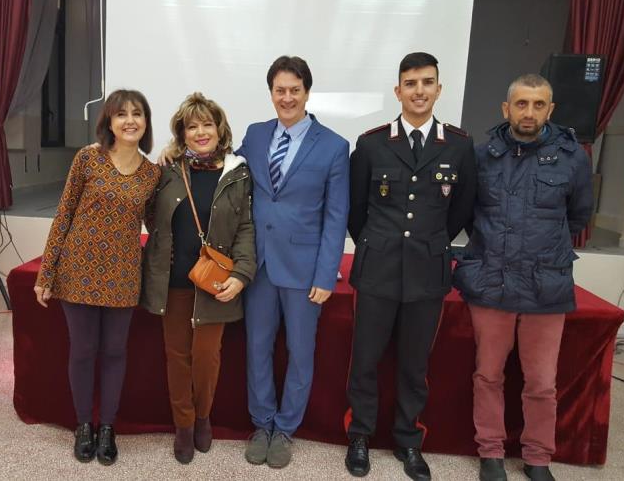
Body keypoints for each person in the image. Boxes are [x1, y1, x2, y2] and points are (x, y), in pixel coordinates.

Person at [453, 74, 593, 481]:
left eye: (538, 105)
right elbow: (465, 211)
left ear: (550, 110)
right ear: (506, 109)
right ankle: (491, 452)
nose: (528, 112)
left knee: (542, 382)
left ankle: (537, 458)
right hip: (491, 282)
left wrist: (542, 249)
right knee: (488, 374)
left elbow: (579, 216)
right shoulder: (481, 156)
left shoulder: (573, 157)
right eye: (521, 104)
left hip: (545, 286)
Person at [345, 52, 477, 480]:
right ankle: (360, 436)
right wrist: (379, 242)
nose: (419, 90)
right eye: (411, 83)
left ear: (439, 89)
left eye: (427, 82)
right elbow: (355, 209)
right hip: (378, 268)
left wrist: (428, 242)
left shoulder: (458, 145)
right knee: (365, 359)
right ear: (398, 90)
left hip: (427, 270)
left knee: (414, 365)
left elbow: (461, 209)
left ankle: (408, 441)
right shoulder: (371, 143)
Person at [34, 89, 161, 465]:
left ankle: (107, 427)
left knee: (115, 352)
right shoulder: (88, 159)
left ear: (146, 122)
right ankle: (82, 426)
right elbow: (64, 215)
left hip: (123, 273)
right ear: (108, 121)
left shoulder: (153, 173)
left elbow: (157, 227)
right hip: (78, 269)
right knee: (84, 350)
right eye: (121, 114)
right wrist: (47, 272)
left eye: (137, 114)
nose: (130, 121)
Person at [235, 55, 350, 469]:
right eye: (279, 90)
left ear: (307, 92)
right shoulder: (254, 133)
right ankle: (262, 422)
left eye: (294, 90)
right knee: (257, 348)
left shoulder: (335, 146)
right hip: (258, 264)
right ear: (271, 93)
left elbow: (336, 216)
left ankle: (285, 429)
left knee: (300, 353)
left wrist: (326, 273)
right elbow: (227, 170)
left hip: (305, 270)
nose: (287, 97)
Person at [140, 92, 256, 464]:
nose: (201, 132)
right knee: (177, 357)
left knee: (207, 357)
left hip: (214, 282)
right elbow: (151, 219)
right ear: (182, 133)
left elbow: (245, 229)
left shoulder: (237, 172)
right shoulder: (169, 171)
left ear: (220, 129)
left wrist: (241, 274)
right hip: (173, 280)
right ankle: (184, 426)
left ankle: (204, 415)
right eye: (193, 126)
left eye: (207, 124)